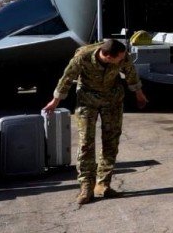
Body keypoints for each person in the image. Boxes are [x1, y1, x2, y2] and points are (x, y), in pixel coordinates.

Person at [43, 38, 148, 205]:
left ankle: (103, 185)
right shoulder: (82, 57)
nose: (122, 60)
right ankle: (86, 186)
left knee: (111, 141)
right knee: (86, 142)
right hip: (87, 100)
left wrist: (139, 94)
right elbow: (67, 78)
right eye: (118, 59)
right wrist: (55, 101)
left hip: (112, 99)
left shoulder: (122, 54)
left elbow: (131, 73)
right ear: (106, 56)